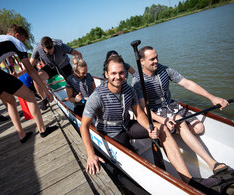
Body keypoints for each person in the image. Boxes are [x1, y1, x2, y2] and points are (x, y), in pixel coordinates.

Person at [80, 55, 220, 192]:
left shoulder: (129, 90)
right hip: (112, 133)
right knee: (133, 156)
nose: (118, 76)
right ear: (106, 74)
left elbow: (140, 114)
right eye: (114, 73)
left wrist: (148, 127)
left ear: (125, 73)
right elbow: (84, 126)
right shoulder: (96, 97)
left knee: (162, 129)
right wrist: (91, 155)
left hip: (128, 125)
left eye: (121, 72)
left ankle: (188, 179)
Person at [131, 46, 229, 175]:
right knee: (180, 122)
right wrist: (163, 120)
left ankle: (173, 132)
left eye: (156, 57)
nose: (156, 61)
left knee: (199, 128)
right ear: (142, 61)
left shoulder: (164, 70)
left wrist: (212, 97)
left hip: (171, 106)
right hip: (156, 113)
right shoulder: (137, 81)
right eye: (152, 59)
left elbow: (187, 83)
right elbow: (144, 108)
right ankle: (212, 163)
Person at [0, 25, 58, 143]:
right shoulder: (14, 41)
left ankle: (22, 135)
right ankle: (43, 130)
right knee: (29, 95)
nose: (23, 44)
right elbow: (31, 70)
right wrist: (46, 90)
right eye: (23, 40)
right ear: (17, 35)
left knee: (10, 100)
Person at [29, 36, 83, 110]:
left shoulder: (61, 46)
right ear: (42, 47)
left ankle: (77, 102)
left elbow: (78, 53)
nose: (51, 53)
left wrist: (79, 67)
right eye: (48, 52)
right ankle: (44, 99)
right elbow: (28, 65)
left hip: (64, 65)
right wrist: (18, 74)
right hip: (51, 67)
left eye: (52, 51)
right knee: (36, 78)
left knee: (74, 84)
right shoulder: (37, 49)